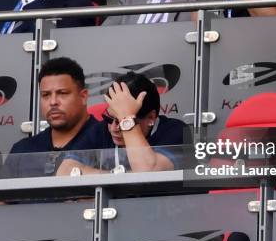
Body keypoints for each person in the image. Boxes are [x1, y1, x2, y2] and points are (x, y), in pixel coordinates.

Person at [56, 72, 190, 175]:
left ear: (151, 118)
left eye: (122, 122)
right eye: (109, 118)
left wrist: (127, 119)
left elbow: (147, 172)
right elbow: (64, 171)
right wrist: (116, 177)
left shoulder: (175, 130)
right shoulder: (101, 130)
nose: (114, 128)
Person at [2, 57, 99, 177]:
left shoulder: (108, 141)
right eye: (45, 95)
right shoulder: (22, 151)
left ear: (83, 96)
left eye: (62, 93)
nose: (53, 102)